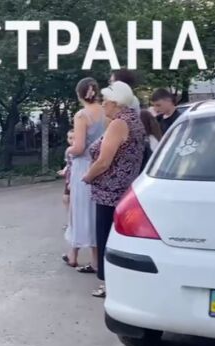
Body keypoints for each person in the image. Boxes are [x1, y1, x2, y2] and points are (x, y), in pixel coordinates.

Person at [83, 81, 146, 298]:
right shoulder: (134, 119)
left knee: (105, 236)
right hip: (126, 188)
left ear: (115, 102)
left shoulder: (119, 124)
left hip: (110, 191)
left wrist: (88, 176)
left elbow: (104, 161)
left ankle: (108, 283)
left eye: (105, 101)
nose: (102, 105)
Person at [62, 78, 105, 273]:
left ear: (79, 94)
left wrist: (68, 151)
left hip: (83, 166)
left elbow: (79, 147)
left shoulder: (82, 115)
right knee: (95, 211)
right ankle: (95, 259)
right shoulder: (106, 113)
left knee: (80, 211)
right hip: (101, 164)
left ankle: (81, 257)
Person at [57, 129, 75, 230]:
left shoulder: (79, 150)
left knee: (73, 201)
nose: (71, 140)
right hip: (68, 178)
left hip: (75, 179)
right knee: (65, 199)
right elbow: (68, 164)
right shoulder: (68, 151)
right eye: (69, 138)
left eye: (74, 138)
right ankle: (70, 221)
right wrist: (64, 171)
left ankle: (73, 222)